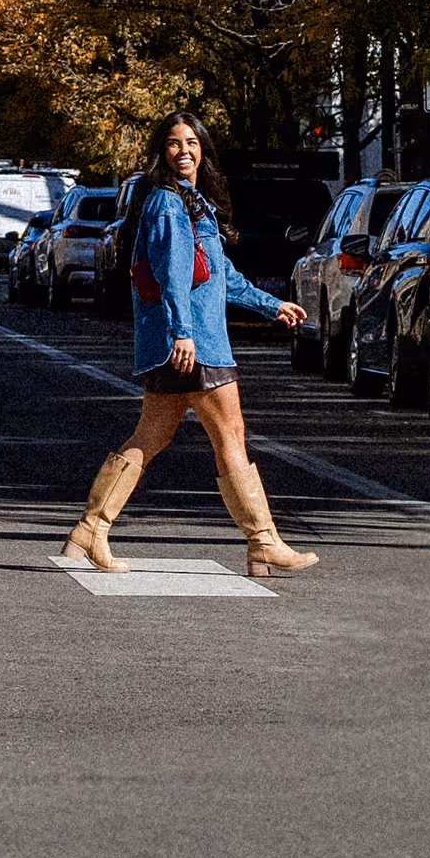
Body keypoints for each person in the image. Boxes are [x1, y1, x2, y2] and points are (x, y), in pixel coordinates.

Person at [65, 110, 318, 578]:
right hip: (194, 343)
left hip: (186, 341)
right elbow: (172, 273)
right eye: (174, 144)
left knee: (152, 436)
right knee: (230, 435)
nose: (184, 151)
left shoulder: (192, 201)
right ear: (162, 152)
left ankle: (90, 529)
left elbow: (222, 278)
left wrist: (271, 304)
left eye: (191, 143)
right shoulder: (166, 202)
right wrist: (183, 331)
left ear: (203, 149)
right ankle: (263, 542)